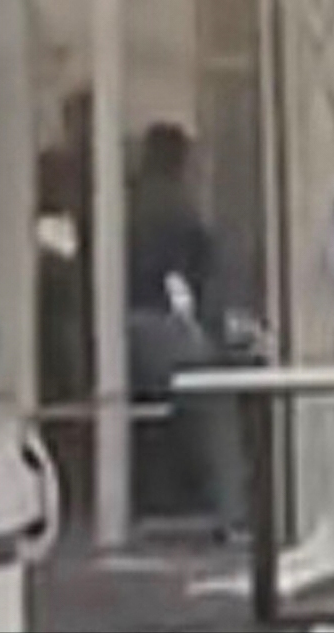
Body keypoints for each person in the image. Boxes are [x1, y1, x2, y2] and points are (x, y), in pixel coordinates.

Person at [124, 122, 244, 531]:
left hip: (124, 326)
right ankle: (230, 509)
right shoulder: (174, 208)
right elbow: (189, 279)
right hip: (152, 322)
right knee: (217, 393)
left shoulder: (126, 201)